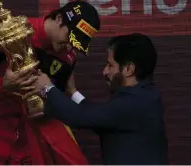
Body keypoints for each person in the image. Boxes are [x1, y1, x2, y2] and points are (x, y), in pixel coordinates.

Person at [0, 0, 100, 164]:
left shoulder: (67, 59)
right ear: (59, 18)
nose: (70, 48)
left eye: (77, 45)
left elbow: (55, 99)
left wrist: (46, 108)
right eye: (70, 38)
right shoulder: (7, 32)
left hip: (26, 134)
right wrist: (1, 84)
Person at [26, 33, 169, 164]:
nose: (104, 71)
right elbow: (98, 118)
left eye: (110, 65)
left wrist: (47, 88)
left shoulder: (135, 103)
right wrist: (73, 92)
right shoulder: (144, 96)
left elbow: (81, 117)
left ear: (129, 69)